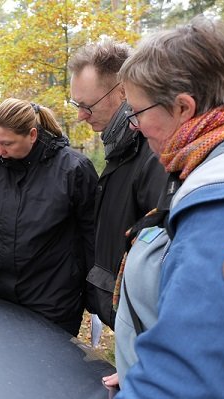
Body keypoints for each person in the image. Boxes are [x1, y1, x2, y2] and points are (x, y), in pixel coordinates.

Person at [113, 16, 224, 398]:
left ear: (183, 108)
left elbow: (185, 382)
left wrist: (156, 380)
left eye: (136, 113)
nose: (135, 126)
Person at [0, 98, 98, 335]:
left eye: (8, 144)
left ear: (32, 135)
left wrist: (93, 293)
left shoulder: (73, 170)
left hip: (51, 301)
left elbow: (92, 235)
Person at [68, 39, 167, 331]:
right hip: (123, 317)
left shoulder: (153, 154)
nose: (80, 115)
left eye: (87, 106)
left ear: (122, 91)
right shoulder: (119, 149)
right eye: (76, 105)